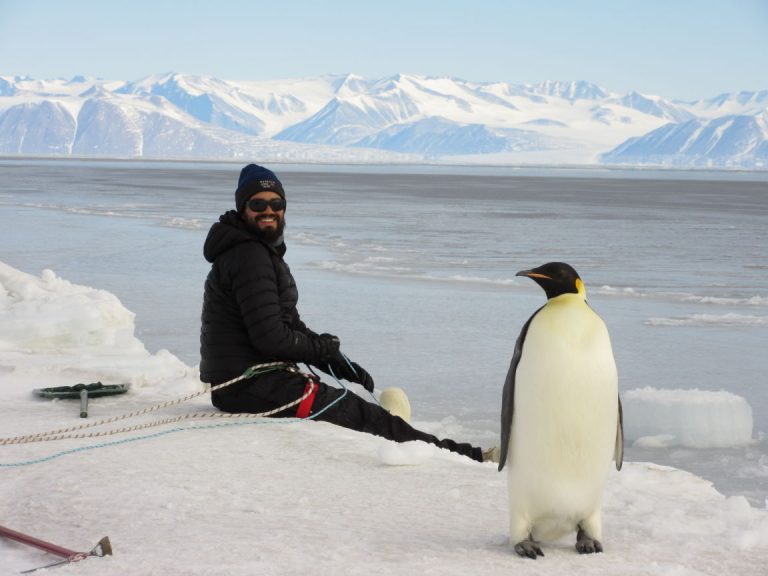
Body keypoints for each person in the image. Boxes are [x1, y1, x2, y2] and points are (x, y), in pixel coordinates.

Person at [200, 164, 493, 463]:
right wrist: (320, 349)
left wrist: (333, 361)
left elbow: (288, 323)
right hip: (253, 388)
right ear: (242, 208)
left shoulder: (253, 252)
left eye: (276, 204)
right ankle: (467, 457)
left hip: (246, 386)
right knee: (366, 416)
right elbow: (271, 338)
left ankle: (451, 451)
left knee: (364, 413)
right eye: (258, 204)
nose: (269, 211)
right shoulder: (250, 256)